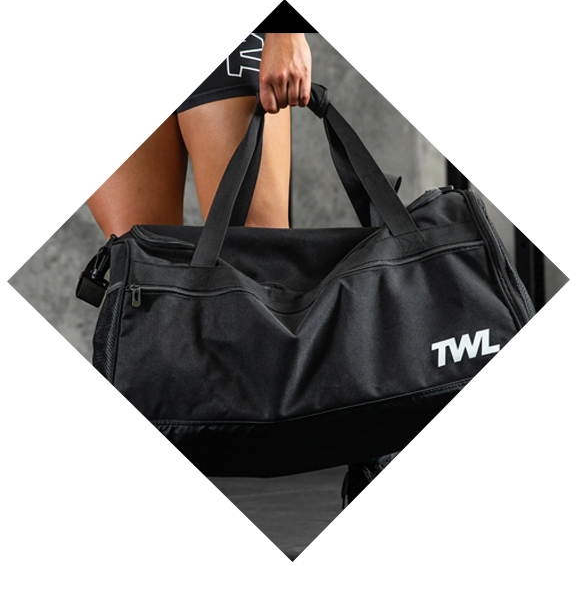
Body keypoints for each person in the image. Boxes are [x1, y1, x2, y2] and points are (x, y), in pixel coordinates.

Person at [5, 32, 429, 563]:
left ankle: (382, 438)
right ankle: (183, 511)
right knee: (144, 287)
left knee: (262, 269)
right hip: (105, 44)